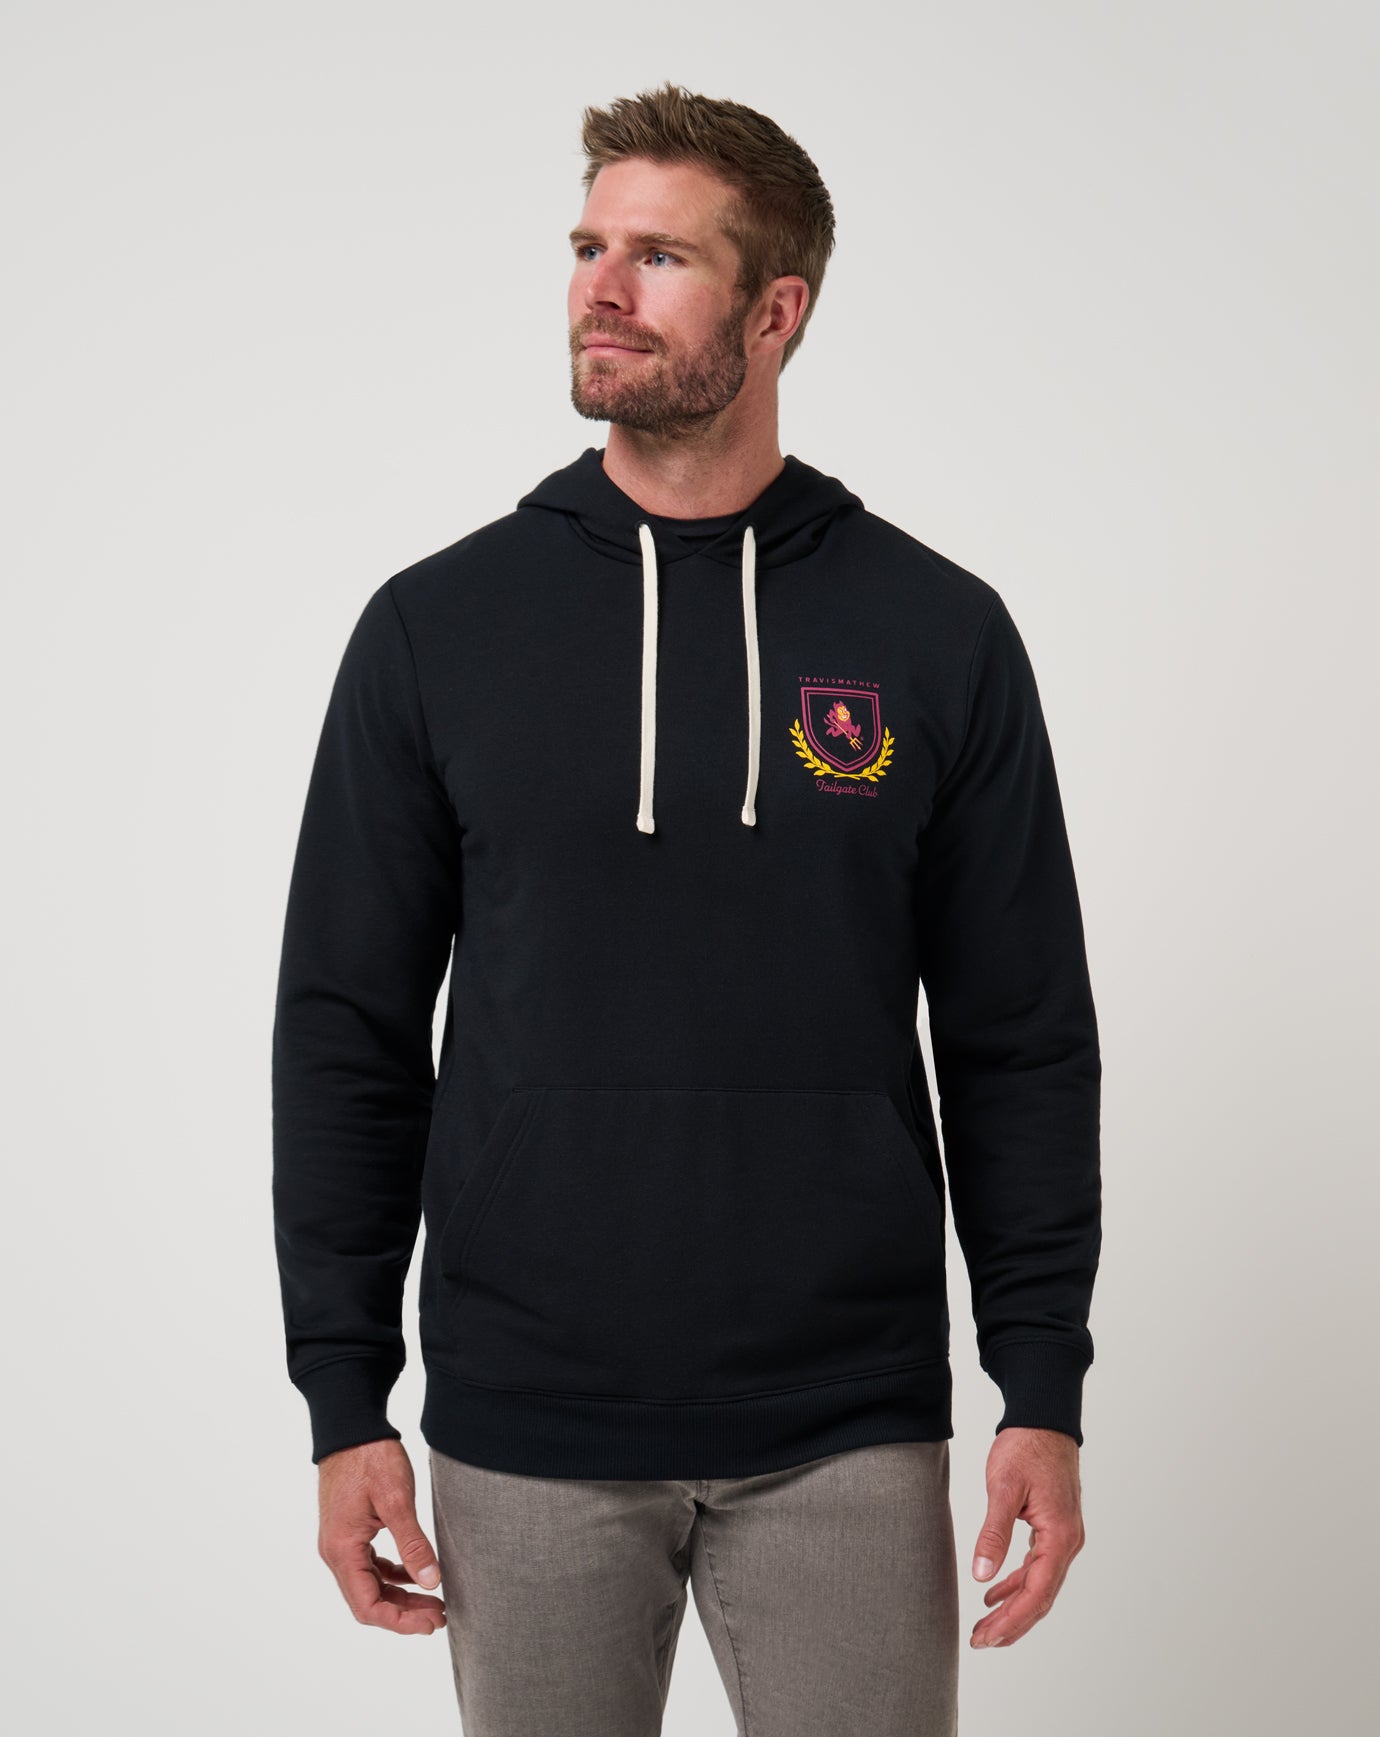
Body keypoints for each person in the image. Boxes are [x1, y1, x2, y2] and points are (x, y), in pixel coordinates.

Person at [271, 80, 1102, 1736]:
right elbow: (347, 1030)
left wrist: (1042, 1383)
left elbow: (1020, 1036)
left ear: (776, 310)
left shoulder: (936, 632)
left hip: (848, 1420)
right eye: (588, 246)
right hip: (527, 1421)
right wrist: (343, 1396)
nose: (600, 286)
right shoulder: (437, 629)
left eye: (658, 257)